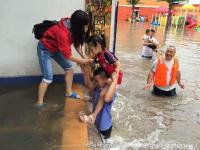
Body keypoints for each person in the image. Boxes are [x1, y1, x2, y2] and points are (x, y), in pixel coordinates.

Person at [35, 10, 93, 107]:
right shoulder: (62, 33)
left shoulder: (72, 24)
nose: (85, 28)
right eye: (84, 26)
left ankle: (69, 93)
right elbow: (68, 56)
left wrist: (83, 55)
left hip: (57, 48)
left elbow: (76, 43)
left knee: (69, 69)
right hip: (44, 49)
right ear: (78, 25)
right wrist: (83, 61)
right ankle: (39, 103)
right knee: (48, 78)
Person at [79, 35, 122, 123]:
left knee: (102, 93)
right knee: (93, 84)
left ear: (98, 46)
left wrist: (114, 76)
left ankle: (92, 117)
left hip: (115, 78)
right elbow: (95, 64)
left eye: (92, 49)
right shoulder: (98, 55)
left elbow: (118, 64)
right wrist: (85, 63)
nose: (91, 51)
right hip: (107, 76)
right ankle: (92, 98)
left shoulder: (106, 53)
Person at [79, 68, 117, 140]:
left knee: (105, 145)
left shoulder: (110, 92)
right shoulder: (98, 88)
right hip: (97, 122)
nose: (95, 83)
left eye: (97, 81)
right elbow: (88, 85)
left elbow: (106, 98)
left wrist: (113, 82)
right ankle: (92, 118)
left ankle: (92, 117)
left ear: (105, 79)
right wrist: (85, 72)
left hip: (104, 127)